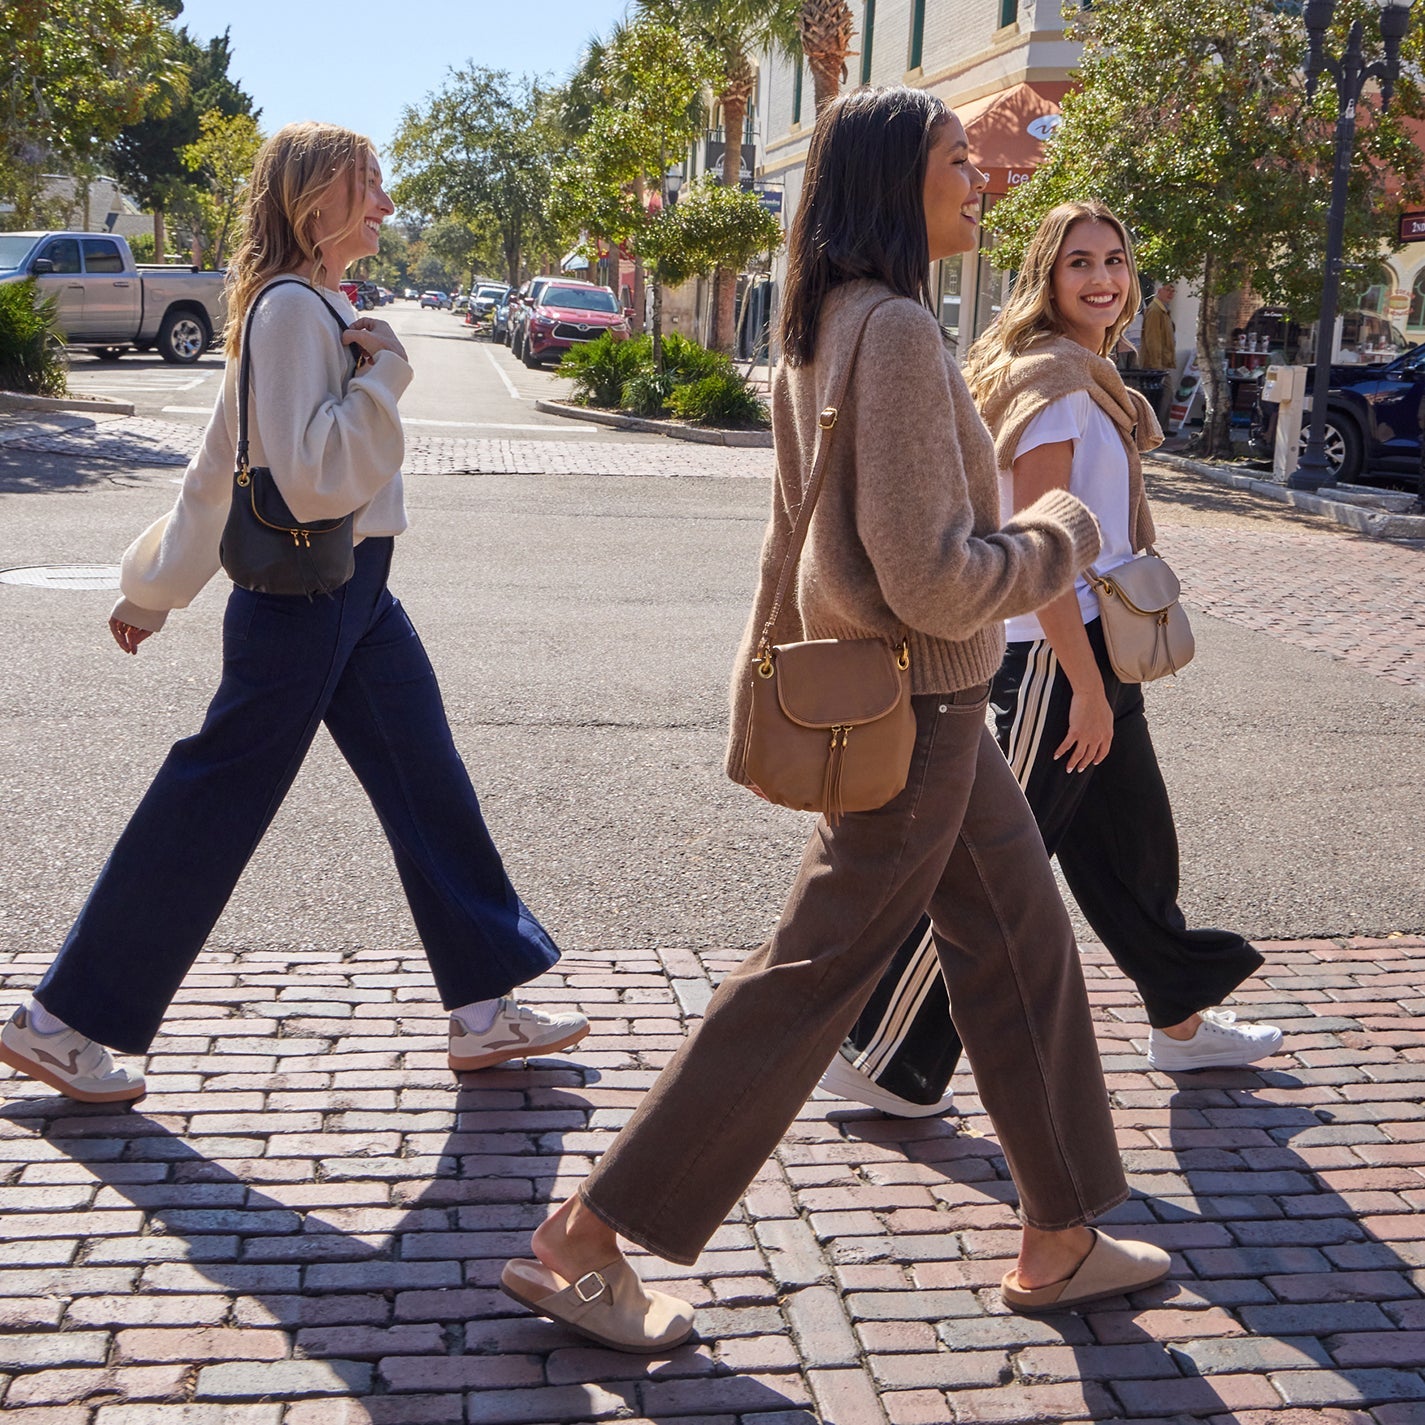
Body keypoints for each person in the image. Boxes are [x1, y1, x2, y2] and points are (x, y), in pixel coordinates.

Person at [496, 89, 1170, 1354]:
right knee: (805, 983)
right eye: (956, 160)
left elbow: (801, 539)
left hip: (923, 709)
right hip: (921, 703)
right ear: (893, 183)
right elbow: (928, 573)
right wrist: (1061, 538)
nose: (980, 180)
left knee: (1021, 941)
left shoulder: (829, 323)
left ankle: (1063, 1230)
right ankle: (584, 1240)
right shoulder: (901, 333)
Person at [0, 123, 587, 1107]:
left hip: (356, 595)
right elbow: (308, 480)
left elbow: (217, 470)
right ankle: (63, 1022)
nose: (387, 208)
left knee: (426, 780)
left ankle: (483, 1008)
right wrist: (389, 377)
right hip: (311, 596)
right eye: (370, 188)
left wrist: (158, 587)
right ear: (316, 199)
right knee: (214, 799)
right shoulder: (289, 314)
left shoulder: (311, 304)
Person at [820, 201, 1281, 1122]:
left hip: (1087, 658)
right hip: (1047, 662)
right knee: (987, 871)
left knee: (1134, 846)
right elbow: (1041, 558)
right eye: (1079, 263)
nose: (1102, 279)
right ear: (1046, 277)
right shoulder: (1061, 386)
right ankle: (883, 1053)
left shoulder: (1085, 374)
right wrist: (1082, 687)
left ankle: (1179, 1021)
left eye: (1113, 260)